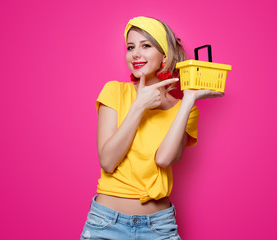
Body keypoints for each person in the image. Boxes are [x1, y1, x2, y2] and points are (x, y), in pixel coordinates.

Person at [80, 16, 223, 240]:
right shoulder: (115, 92)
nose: (135, 53)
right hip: (106, 224)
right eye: (130, 47)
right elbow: (108, 161)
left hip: (159, 227)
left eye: (146, 45)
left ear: (164, 56)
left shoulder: (186, 110)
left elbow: (164, 159)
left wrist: (188, 99)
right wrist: (139, 106)